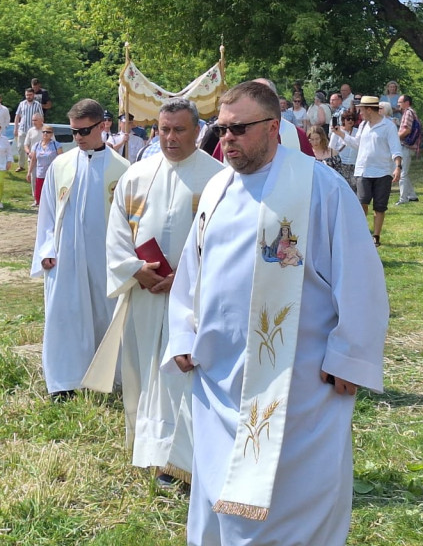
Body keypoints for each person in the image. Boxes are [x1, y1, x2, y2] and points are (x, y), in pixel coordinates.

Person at [163, 81, 388, 546]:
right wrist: (183, 335)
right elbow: (192, 273)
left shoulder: (319, 187)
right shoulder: (216, 189)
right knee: (219, 487)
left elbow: (361, 278)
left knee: (289, 497)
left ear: (272, 128)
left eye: (239, 129)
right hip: (219, 375)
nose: (226, 139)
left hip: (296, 379)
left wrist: (351, 355)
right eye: (221, 128)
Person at [90, 98, 223, 487]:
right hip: (144, 296)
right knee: (143, 373)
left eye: (179, 129)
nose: (169, 137)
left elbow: (225, 241)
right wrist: (135, 270)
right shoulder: (136, 175)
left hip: (192, 299)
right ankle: (149, 452)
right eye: (164, 129)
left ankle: (183, 460)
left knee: (182, 374)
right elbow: (116, 233)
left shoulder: (218, 178)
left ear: (197, 130)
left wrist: (185, 275)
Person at [30, 99, 129, 401]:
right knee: (65, 316)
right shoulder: (61, 166)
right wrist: (47, 248)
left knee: (106, 314)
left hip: (104, 257)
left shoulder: (123, 169)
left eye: (84, 131)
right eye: (73, 132)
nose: (78, 138)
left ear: (102, 126)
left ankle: (111, 377)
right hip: (66, 257)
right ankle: (63, 381)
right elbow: (47, 213)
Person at [333, 96, 402, 246]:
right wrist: (341, 134)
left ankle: (376, 236)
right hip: (363, 170)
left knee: (379, 206)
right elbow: (357, 144)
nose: (360, 113)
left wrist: (398, 166)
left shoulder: (388, 126)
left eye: (362, 109)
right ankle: (362, 233)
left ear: (369, 109)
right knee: (362, 202)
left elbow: (396, 148)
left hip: (382, 171)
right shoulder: (364, 125)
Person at [28, 123, 62, 206]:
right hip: (40, 172)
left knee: (51, 191)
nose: (46, 134)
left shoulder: (56, 144)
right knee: (39, 191)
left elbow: (61, 158)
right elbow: (33, 159)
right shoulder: (36, 145)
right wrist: (29, 172)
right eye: (44, 132)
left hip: (53, 172)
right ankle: (38, 203)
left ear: (52, 134)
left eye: (48, 132)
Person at [395, 95, 420, 205]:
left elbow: (407, 130)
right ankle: (412, 196)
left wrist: (394, 139)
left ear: (407, 102)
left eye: (400, 102)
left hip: (406, 145)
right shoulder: (409, 112)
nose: (398, 104)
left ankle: (403, 199)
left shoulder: (408, 113)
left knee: (402, 173)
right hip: (408, 145)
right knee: (404, 172)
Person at [13, 87, 45, 171]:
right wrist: (15, 128)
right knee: (20, 147)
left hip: (33, 130)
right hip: (22, 129)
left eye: (30, 95)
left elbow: (41, 117)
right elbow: (17, 116)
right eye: (27, 95)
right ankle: (21, 165)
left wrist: (40, 127)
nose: (28, 96)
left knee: (32, 148)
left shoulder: (37, 104)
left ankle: (32, 164)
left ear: (33, 95)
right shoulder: (22, 104)